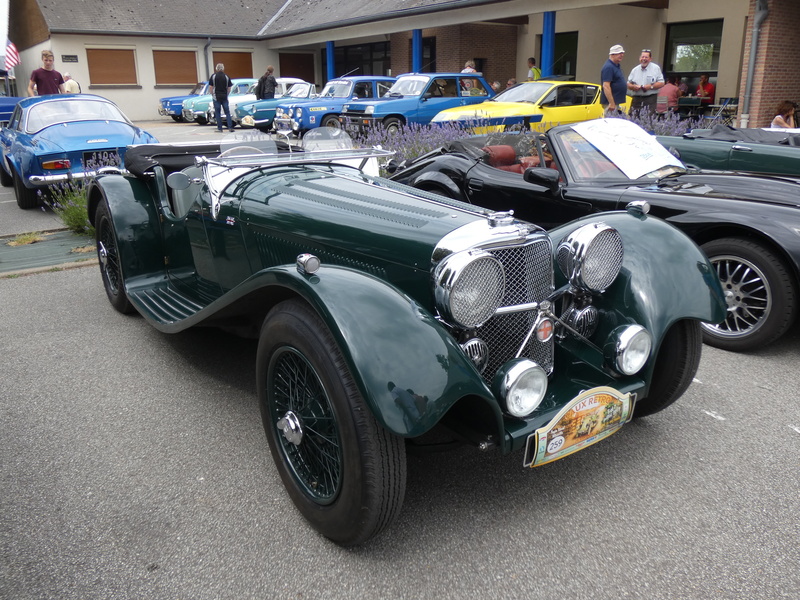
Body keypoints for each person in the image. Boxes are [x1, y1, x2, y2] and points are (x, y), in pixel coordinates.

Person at [626, 49, 664, 115]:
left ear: (650, 59)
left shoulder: (656, 68)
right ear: (639, 58)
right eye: (642, 57)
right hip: (637, 99)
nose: (644, 59)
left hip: (650, 99)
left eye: (646, 57)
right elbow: (628, 84)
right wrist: (633, 87)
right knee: (633, 117)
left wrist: (650, 87)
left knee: (649, 118)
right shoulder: (635, 70)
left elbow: (661, 83)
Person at [600, 45, 627, 115]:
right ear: (612, 54)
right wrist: (611, 103)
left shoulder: (615, 66)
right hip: (611, 104)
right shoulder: (608, 67)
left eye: (622, 53)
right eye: (619, 53)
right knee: (611, 121)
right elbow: (606, 86)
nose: (622, 55)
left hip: (615, 102)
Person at [209, 63, 234, 132]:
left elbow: (211, 87)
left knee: (217, 113)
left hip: (216, 96)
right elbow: (229, 88)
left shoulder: (213, 76)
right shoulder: (226, 76)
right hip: (224, 96)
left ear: (216, 68)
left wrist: (212, 94)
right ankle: (230, 127)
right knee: (227, 112)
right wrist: (227, 94)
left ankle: (220, 128)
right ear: (223, 68)